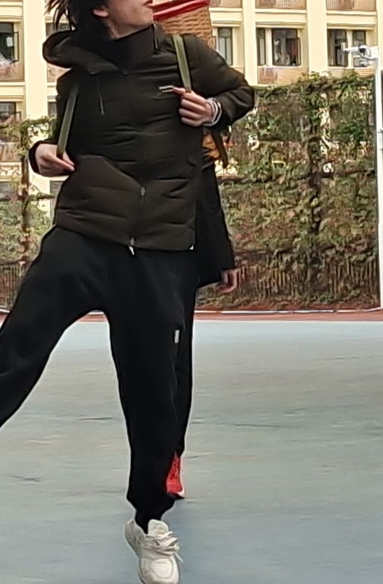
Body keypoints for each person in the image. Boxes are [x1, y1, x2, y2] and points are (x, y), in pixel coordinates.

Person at [0, 0, 254, 584]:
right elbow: (60, 146)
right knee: (23, 337)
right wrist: (41, 154)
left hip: (161, 245)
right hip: (85, 233)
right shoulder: (78, 81)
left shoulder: (187, 55)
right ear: (102, 7)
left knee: (154, 388)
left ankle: (149, 522)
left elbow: (241, 95)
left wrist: (213, 109)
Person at [166, 135, 239, 501]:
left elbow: (207, 198)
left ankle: (170, 459)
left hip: (180, 259)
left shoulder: (193, 133)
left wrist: (223, 256)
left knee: (178, 361)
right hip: (130, 256)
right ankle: (149, 454)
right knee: (141, 363)